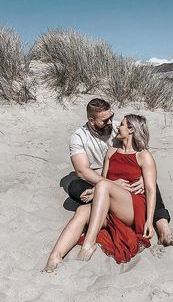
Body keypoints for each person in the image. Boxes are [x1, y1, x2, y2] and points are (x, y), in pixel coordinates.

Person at [45, 114, 156, 271]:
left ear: (131, 129)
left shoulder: (143, 155)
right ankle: (55, 257)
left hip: (133, 208)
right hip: (110, 207)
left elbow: (151, 190)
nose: (118, 127)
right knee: (82, 210)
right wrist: (95, 191)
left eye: (122, 124)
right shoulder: (111, 152)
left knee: (103, 186)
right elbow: (103, 181)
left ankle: (89, 243)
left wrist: (149, 221)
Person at [68, 98, 173, 246]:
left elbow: (140, 152)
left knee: (150, 183)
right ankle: (103, 212)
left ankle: (163, 229)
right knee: (74, 187)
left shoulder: (118, 128)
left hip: (126, 181)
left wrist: (141, 175)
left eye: (112, 117)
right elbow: (82, 171)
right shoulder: (79, 137)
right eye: (105, 120)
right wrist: (110, 184)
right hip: (98, 179)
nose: (111, 123)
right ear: (91, 120)